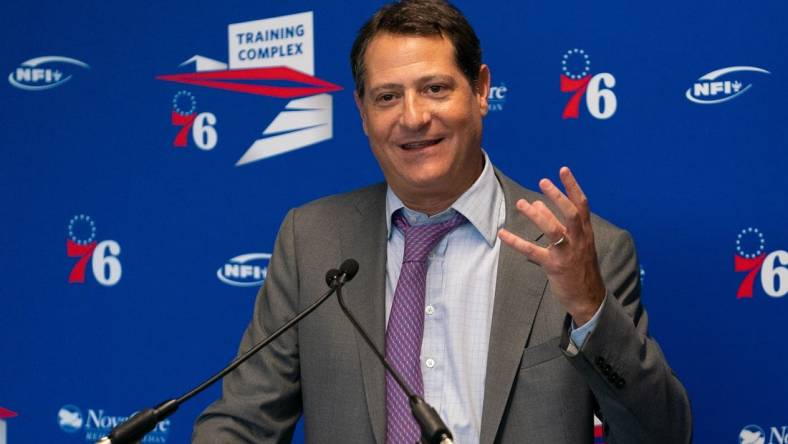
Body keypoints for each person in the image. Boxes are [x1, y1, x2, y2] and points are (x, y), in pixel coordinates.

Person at [192, 1, 692, 443]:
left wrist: (588, 307)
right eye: (387, 97)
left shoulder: (587, 249)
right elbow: (245, 422)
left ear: (480, 91)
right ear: (362, 112)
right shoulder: (312, 239)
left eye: (434, 88)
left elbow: (661, 434)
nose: (412, 117)